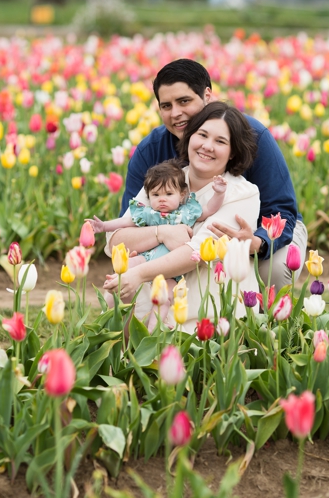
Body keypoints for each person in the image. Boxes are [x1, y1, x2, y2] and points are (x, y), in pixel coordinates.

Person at [109, 58, 305, 287]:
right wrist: (160, 234)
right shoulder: (151, 151)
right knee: (128, 270)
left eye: (184, 101)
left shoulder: (252, 136)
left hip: (260, 232)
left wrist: (259, 243)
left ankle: (267, 308)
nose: (176, 113)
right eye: (166, 106)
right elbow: (129, 222)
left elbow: (281, 211)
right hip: (178, 233)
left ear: (207, 96)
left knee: (274, 269)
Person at [103, 102, 262, 331]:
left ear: (233, 152)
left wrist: (137, 273)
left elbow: (197, 252)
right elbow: (116, 241)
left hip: (205, 316)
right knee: (117, 297)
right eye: (202, 135)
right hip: (152, 304)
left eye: (220, 141)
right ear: (190, 136)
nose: (207, 146)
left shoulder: (241, 194)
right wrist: (161, 232)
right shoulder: (165, 179)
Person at [88, 160, 227, 269]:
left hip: (173, 267)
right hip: (147, 259)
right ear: (148, 196)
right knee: (128, 266)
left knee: (170, 292)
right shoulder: (149, 214)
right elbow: (125, 222)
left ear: (182, 195)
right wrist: (103, 226)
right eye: (155, 194)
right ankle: (118, 293)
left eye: (168, 194)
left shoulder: (186, 213)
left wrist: (219, 193)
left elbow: (209, 209)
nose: (162, 199)